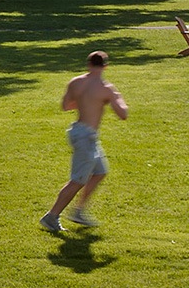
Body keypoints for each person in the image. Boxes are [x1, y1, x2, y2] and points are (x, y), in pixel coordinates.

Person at [40, 50, 128, 233]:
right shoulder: (106, 88)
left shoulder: (75, 82)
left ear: (88, 64)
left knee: (100, 172)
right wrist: (116, 98)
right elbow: (123, 114)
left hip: (78, 131)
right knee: (77, 180)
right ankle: (51, 216)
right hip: (86, 137)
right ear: (105, 66)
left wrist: (87, 102)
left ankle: (79, 211)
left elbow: (66, 106)